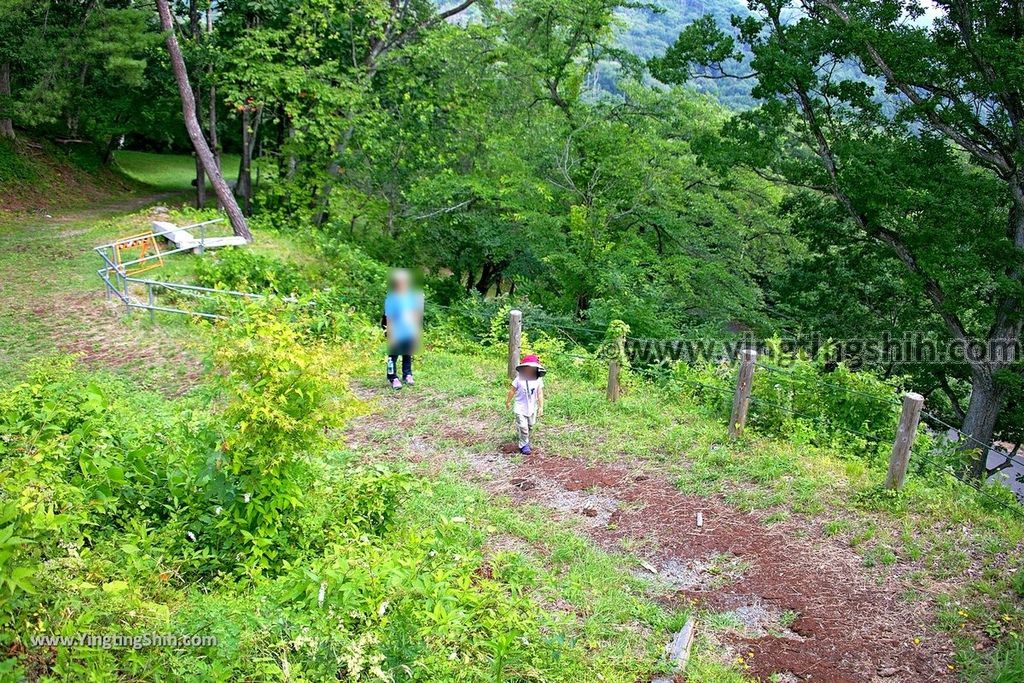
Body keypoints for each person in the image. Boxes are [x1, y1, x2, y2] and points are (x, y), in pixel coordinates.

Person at [383, 269, 423, 390]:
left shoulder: (411, 297)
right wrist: (391, 335)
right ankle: (392, 377)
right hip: (396, 331)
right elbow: (389, 318)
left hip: (408, 331)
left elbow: (416, 314)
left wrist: (416, 331)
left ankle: (407, 374)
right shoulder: (391, 299)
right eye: (400, 281)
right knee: (393, 356)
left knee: (407, 354)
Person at [505, 354, 545, 454]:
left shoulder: (538, 380)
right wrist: (508, 401)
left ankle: (524, 435)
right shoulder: (519, 379)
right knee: (523, 427)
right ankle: (524, 445)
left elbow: (539, 393)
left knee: (530, 425)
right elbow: (512, 391)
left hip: (532, 407)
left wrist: (541, 407)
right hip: (520, 407)